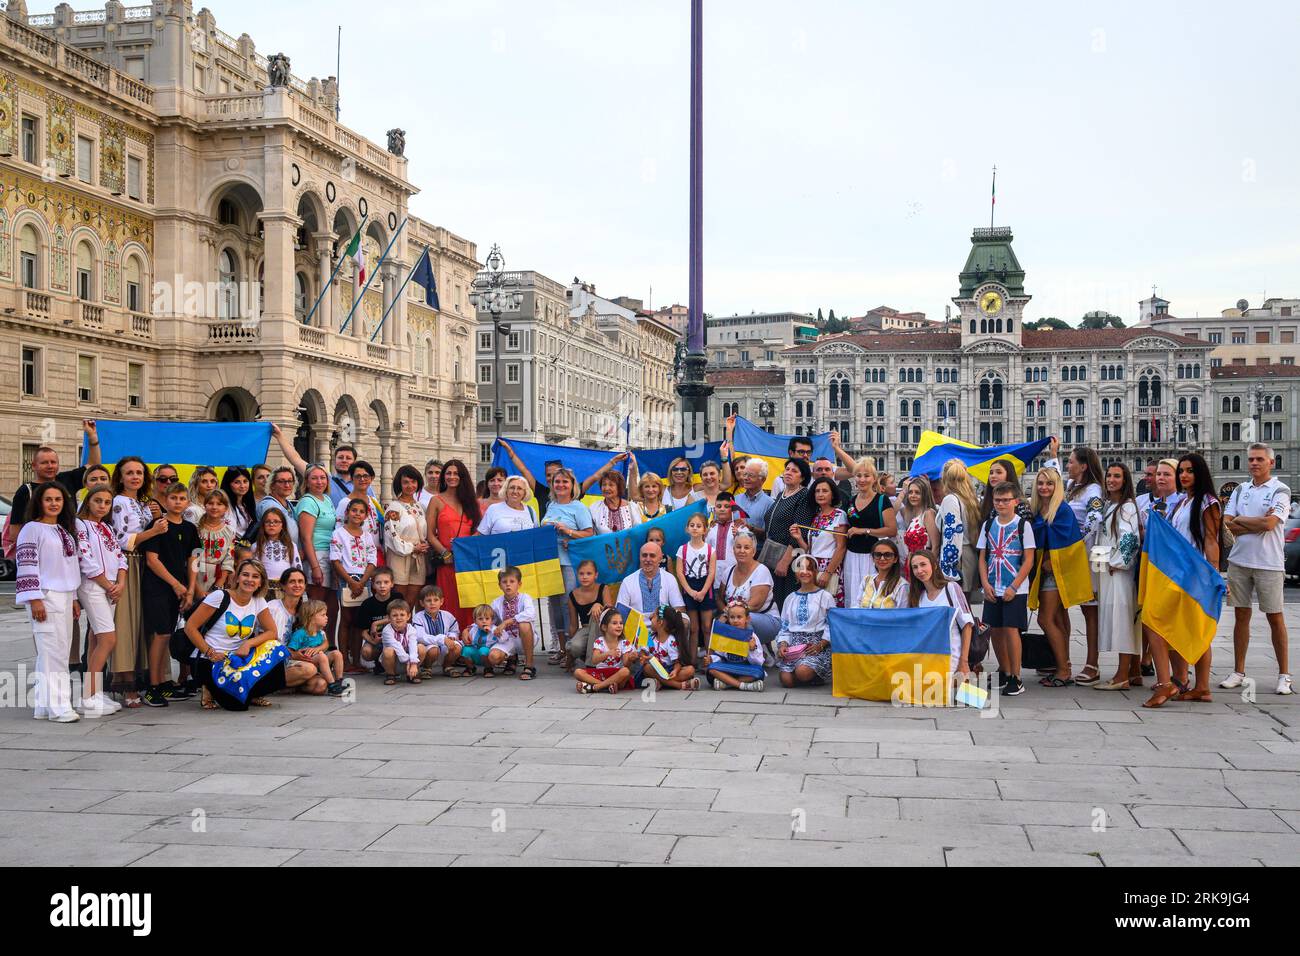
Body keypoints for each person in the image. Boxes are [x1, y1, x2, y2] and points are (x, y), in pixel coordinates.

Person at [1221, 443, 1292, 696]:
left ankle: (1284, 675)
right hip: (1239, 561)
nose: (1254, 463)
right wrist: (1254, 523)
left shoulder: (1280, 489)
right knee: (1241, 616)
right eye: (1251, 459)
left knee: (1275, 617)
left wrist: (1242, 521)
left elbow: (1271, 523)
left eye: (1260, 459)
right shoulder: (1240, 490)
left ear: (1270, 462)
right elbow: (1227, 524)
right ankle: (1238, 671)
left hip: (1269, 563)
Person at [16, 482, 84, 722]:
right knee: (51, 651)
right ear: (39, 502)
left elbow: (70, 566)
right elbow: (27, 565)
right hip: (44, 594)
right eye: (48, 499)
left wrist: (74, 598)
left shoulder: (64, 530)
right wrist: (34, 599)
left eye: (58, 499)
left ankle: (44, 705)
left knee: (58, 651)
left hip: (65, 596)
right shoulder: (31, 529)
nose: (54, 503)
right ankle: (60, 707)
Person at [183, 559, 285, 711]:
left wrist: (248, 643)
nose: (249, 580)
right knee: (238, 706)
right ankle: (209, 686)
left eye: (255, 576)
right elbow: (190, 627)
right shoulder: (220, 596)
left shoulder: (258, 601)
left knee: (275, 647)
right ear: (237, 578)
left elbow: (272, 632)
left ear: (261, 582)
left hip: (238, 658)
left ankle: (252, 693)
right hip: (211, 659)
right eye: (245, 575)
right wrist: (210, 652)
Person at [1161, 453, 1223, 703]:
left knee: (1197, 631)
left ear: (1200, 474)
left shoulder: (1207, 502)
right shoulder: (1181, 502)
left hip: (1196, 573)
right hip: (1178, 573)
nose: (1184, 476)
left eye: (1190, 471)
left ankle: (1203, 686)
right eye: (1182, 472)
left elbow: (1211, 538)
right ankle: (1182, 680)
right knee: (1177, 629)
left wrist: (1214, 574)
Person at [108, 456, 167, 706]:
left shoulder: (142, 504)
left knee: (143, 624)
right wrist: (152, 531)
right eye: (129, 472)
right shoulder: (119, 502)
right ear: (120, 477)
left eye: (139, 473)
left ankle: (144, 680)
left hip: (143, 562)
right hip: (128, 562)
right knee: (127, 624)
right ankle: (126, 685)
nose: (135, 477)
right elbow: (122, 539)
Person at [1047, 439, 1105, 684]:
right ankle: (1063, 660)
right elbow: (1055, 480)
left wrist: (1076, 543)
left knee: (1089, 611)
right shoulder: (1072, 486)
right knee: (1060, 609)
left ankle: (1092, 664)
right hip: (1068, 558)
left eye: (1071, 462)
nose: (1068, 465)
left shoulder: (1093, 490)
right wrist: (1053, 454)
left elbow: (1094, 519)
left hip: (1086, 557)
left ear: (1083, 466)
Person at [140, 482, 200, 707]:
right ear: (165, 501)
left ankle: (164, 683)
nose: (177, 502)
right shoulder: (158, 524)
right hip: (158, 587)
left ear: (187, 502)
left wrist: (191, 588)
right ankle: (152, 686)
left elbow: (194, 558)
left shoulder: (190, 528)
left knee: (168, 635)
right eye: (173, 498)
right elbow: (152, 560)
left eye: (182, 498)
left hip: (182, 589)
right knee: (161, 634)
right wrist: (175, 584)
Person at [977, 480, 1036, 697]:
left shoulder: (1023, 525)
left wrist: (1014, 585)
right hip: (993, 586)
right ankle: (1005, 669)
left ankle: (1016, 676)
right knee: (995, 630)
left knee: (1011, 630)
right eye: (997, 500)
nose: (1001, 504)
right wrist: (984, 583)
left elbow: (1028, 559)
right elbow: (983, 556)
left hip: (1015, 588)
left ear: (1015, 501)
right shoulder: (988, 525)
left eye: (1005, 500)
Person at [5, 420, 101, 548]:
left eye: (53, 462)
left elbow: (93, 466)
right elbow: (14, 532)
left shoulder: (67, 479)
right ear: (33, 466)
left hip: (70, 549)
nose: (50, 466)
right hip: (41, 552)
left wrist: (92, 437)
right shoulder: (25, 491)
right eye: (44, 463)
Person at [74, 487, 126, 716]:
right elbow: (86, 559)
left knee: (97, 638)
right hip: (94, 586)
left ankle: (95, 692)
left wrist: (121, 583)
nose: (102, 506)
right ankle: (87, 696)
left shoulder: (106, 527)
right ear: (88, 501)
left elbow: (120, 556)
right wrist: (108, 585)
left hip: (112, 587)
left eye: (106, 502)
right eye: (98, 501)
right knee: (108, 638)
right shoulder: (80, 525)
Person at [1093, 464, 1144, 691]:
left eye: (1117, 476)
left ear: (1125, 480)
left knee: (1122, 619)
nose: (1111, 480)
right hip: (1106, 568)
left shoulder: (1127, 506)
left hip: (1118, 572)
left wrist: (1117, 563)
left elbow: (1129, 538)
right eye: (1109, 476)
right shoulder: (1109, 505)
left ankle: (1122, 674)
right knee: (1115, 617)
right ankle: (1133, 671)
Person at [541, 468, 595, 665]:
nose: (561, 485)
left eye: (565, 482)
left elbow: (589, 533)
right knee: (554, 607)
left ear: (573, 485)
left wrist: (569, 532)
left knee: (567, 606)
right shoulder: (551, 505)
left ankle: (572, 649)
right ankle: (562, 649)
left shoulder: (578, 507)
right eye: (557, 482)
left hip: (569, 563)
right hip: (550, 562)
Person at [1027, 468, 1075, 686]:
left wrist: (1052, 561)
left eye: (1049, 484)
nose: (1044, 488)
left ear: (1057, 486)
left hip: (1055, 571)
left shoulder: (1062, 510)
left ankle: (1063, 669)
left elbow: (1067, 538)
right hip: (1043, 570)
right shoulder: (1039, 509)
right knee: (1058, 619)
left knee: (1045, 618)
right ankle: (1063, 664)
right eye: (1040, 483)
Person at [426, 459, 481, 630]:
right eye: (448, 473)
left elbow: (478, 531)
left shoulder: (472, 502)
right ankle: (451, 644)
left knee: (469, 601)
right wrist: (445, 554)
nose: (451, 476)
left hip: (467, 563)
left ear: (462, 476)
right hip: (447, 563)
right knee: (449, 602)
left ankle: (469, 641)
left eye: (456, 473)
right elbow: (429, 534)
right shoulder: (436, 501)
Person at [905, 549, 975, 682]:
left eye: (923, 564)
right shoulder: (918, 597)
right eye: (915, 567)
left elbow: (967, 625)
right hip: (927, 657)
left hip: (951, 655)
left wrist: (964, 661)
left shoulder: (951, 588)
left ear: (934, 565)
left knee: (964, 699)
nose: (919, 570)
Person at [331, 498, 378, 674]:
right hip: (346, 579)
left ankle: (357, 660)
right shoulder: (339, 533)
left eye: (361, 511)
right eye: (354, 510)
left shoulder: (367, 536)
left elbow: (372, 559)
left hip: (364, 579)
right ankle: (343, 659)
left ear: (366, 515)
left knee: (359, 621)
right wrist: (351, 582)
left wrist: (363, 581)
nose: (357, 514)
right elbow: (335, 559)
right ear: (347, 512)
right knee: (346, 619)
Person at [842, 459, 897, 608]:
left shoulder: (882, 500)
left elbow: (892, 529)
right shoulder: (851, 501)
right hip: (852, 557)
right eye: (858, 475)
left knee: (872, 596)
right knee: (853, 597)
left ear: (873, 478)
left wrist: (864, 531)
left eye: (866, 476)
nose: (862, 479)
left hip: (873, 557)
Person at [775, 554, 835, 688]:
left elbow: (831, 625)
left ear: (815, 572)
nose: (804, 572)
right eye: (800, 568)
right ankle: (804, 675)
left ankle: (815, 673)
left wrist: (822, 644)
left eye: (809, 569)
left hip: (816, 646)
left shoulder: (825, 596)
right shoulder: (790, 598)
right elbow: (785, 626)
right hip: (794, 646)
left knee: (802, 672)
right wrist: (783, 645)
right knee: (786, 681)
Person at [717, 530, 780, 650]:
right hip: (735, 615)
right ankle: (725, 656)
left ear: (754, 551)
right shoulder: (728, 571)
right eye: (738, 547)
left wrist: (730, 613)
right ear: (733, 549)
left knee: (744, 619)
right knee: (722, 621)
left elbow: (755, 605)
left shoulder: (762, 571)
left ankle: (749, 655)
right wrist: (725, 612)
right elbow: (719, 599)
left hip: (766, 619)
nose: (742, 551)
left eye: (746, 547)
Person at [767, 457, 816, 606]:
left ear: (802, 477)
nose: (789, 472)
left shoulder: (803, 496)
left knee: (786, 599)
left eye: (794, 471)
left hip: (789, 558)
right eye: (787, 469)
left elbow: (798, 530)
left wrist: (785, 562)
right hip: (772, 554)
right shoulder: (781, 495)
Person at [791, 476, 848, 607]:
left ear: (833, 494)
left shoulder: (839, 515)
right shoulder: (816, 517)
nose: (820, 494)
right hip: (813, 567)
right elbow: (809, 550)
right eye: (817, 491)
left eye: (825, 491)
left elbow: (841, 547)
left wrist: (828, 573)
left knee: (829, 606)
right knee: (815, 607)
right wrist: (799, 538)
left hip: (829, 566)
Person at [295, 464, 338, 629]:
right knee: (317, 606)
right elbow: (306, 538)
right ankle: (313, 642)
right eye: (314, 478)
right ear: (307, 481)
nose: (319, 482)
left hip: (331, 554)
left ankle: (329, 643)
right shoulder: (308, 502)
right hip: (317, 555)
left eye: (322, 478)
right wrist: (315, 567)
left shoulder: (326, 499)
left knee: (331, 605)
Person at [384, 465, 428, 608]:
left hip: (419, 559)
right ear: (399, 484)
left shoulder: (421, 507)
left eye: (413, 481)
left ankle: (409, 631)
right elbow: (391, 537)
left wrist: (424, 545)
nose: (410, 485)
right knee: (399, 604)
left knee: (411, 603)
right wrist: (411, 548)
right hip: (399, 557)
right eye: (406, 482)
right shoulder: (394, 507)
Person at [675, 511, 718, 656]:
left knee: (706, 627)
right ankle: (692, 660)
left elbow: (711, 573)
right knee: (693, 628)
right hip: (689, 587)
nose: (695, 528)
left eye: (699, 526)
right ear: (687, 529)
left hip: (705, 587)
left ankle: (709, 659)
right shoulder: (683, 549)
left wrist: (703, 591)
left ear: (704, 530)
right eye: (692, 525)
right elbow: (680, 573)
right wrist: (690, 591)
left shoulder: (710, 550)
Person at [938, 460, 981, 600]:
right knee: (965, 605)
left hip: (957, 559)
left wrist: (948, 567)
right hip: (968, 555)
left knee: (957, 605)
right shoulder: (970, 499)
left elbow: (953, 533)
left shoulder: (950, 499)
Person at [615, 541, 686, 627]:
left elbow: (679, 608)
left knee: (685, 621)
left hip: (662, 629)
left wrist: (663, 620)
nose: (648, 559)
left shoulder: (669, 579)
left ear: (660, 559)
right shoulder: (628, 581)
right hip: (636, 631)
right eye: (644, 555)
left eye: (652, 556)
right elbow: (620, 612)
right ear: (640, 557)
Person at [487, 565, 538, 680]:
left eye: (512, 581)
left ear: (519, 584)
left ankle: (529, 665)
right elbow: (488, 620)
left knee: (524, 624)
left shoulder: (525, 598)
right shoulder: (496, 602)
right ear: (499, 585)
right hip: (507, 639)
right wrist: (470, 629)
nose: (508, 584)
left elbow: (530, 613)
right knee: (493, 657)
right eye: (504, 582)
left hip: (523, 638)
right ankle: (511, 658)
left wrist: (508, 621)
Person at [287, 599, 346, 696]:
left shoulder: (320, 632)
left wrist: (318, 649)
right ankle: (331, 686)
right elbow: (290, 652)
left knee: (337, 653)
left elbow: (326, 644)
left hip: (318, 662)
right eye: (323, 615)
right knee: (321, 656)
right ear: (311, 617)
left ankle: (339, 681)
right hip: (305, 663)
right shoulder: (300, 633)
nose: (326, 617)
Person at [635, 604, 699, 690]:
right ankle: (678, 685)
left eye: (653, 617)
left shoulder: (671, 640)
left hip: (668, 671)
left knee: (690, 670)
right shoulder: (649, 637)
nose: (650, 618)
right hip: (654, 670)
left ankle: (661, 683)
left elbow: (677, 662)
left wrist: (675, 671)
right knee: (647, 668)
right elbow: (643, 655)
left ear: (660, 622)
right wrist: (644, 658)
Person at [706, 602, 766, 691]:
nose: (735, 620)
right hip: (727, 668)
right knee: (711, 669)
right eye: (732, 617)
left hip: (744, 669)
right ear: (728, 619)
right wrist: (711, 659)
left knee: (759, 672)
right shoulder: (724, 635)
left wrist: (752, 649)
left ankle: (727, 684)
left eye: (739, 617)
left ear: (747, 619)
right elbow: (719, 656)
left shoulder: (751, 637)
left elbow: (758, 663)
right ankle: (743, 685)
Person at [574, 607, 634, 694]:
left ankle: (596, 687)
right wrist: (608, 653)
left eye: (621, 623)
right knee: (577, 672)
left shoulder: (625, 643)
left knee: (626, 671)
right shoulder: (600, 641)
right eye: (614, 623)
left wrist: (630, 659)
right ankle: (606, 686)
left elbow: (626, 664)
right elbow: (594, 660)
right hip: (600, 674)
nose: (619, 626)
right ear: (604, 627)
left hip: (616, 674)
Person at [379, 599, 434, 685]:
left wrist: (413, 663)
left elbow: (412, 645)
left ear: (408, 616)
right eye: (394, 615)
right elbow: (397, 647)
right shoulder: (387, 630)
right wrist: (410, 662)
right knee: (388, 651)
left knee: (421, 648)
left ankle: (412, 674)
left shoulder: (411, 629)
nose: (399, 618)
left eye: (402, 615)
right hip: (393, 661)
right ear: (389, 618)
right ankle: (391, 674)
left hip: (409, 661)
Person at [193, 490, 236, 595]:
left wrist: (217, 587)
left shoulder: (229, 531)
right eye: (211, 503)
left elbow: (228, 560)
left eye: (219, 504)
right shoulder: (196, 529)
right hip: (195, 575)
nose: (214, 507)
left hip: (217, 577)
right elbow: (191, 557)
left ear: (225, 508)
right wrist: (197, 589)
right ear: (205, 505)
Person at [415, 585, 465, 677]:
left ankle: (447, 666)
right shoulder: (418, 617)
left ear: (441, 601)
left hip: (445, 646)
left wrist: (452, 636)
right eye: (428, 601)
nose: (432, 603)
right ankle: (427, 667)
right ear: (422, 603)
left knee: (456, 647)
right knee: (434, 649)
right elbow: (420, 636)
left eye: (436, 600)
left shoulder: (447, 615)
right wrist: (442, 639)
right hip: (428, 647)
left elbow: (455, 630)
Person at [357, 568, 398, 677]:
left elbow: (401, 618)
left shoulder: (397, 598)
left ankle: (392, 663)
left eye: (386, 582)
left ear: (392, 584)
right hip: (377, 639)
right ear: (373, 585)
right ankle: (378, 662)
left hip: (396, 638)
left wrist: (376, 623)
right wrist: (373, 641)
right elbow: (363, 631)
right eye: (378, 583)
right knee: (366, 652)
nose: (382, 586)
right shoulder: (367, 604)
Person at [565, 559, 605, 670]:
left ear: (596, 575)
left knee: (596, 613)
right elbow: (573, 625)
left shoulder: (603, 588)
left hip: (603, 629)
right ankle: (587, 656)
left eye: (589, 573)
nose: (585, 577)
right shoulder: (573, 595)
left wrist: (599, 605)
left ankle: (591, 664)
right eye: (581, 574)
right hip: (586, 629)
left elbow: (611, 611)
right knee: (574, 646)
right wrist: (570, 654)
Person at [897, 476, 939, 575]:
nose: (913, 495)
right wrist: (903, 492)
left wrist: (929, 568)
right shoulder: (910, 514)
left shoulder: (928, 513)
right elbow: (892, 511)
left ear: (924, 494)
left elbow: (936, 545)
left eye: (917, 492)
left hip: (924, 568)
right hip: (911, 566)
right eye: (910, 492)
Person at [335, 460, 383, 542]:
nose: (362, 479)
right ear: (351, 478)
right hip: (355, 552)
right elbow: (339, 531)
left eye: (366, 476)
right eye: (358, 476)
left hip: (375, 552)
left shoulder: (373, 500)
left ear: (372, 478)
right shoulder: (345, 503)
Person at [252, 509, 300, 587]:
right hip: (264, 586)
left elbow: (297, 567)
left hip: (285, 586)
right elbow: (255, 569)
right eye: (267, 521)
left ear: (282, 525)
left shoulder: (291, 545)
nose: (272, 524)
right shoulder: (256, 546)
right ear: (263, 525)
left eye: (276, 521)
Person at [257, 465, 300, 547]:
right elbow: (273, 533)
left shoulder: (288, 504)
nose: (287, 485)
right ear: (272, 485)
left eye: (290, 481)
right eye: (281, 481)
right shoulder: (269, 505)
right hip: (277, 555)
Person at [860, 539, 908, 608]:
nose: (882, 558)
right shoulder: (866, 580)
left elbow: (903, 615)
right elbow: (857, 607)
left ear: (895, 559)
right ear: (873, 558)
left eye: (887, 555)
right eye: (877, 554)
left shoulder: (902, 586)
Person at [706, 491, 741, 585]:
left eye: (726, 506)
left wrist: (738, 536)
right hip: (713, 577)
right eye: (719, 506)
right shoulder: (711, 529)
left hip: (734, 575)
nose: (722, 509)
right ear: (714, 508)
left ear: (733, 509)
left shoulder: (740, 528)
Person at [733, 459, 774, 536]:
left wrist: (750, 528)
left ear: (763, 480)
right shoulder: (734, 499)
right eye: (745, 474)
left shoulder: (770, 504)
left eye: (750, 475)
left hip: (756, 547)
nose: (745, 478)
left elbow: (769, 534)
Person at [979, 458, 1024, 524]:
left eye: (999, 472)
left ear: (1008, 474)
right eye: (991, 473)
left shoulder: (1021, 504)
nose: (993, 476)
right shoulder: (985, 502)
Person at [220, 466, 257, 541]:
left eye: (245, 481)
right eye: (237, 482)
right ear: (228, 484)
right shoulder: (223, 505)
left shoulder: (247, 504)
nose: (242, 486)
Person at [461, 604, 496, 674]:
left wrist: (492, 631)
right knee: (465, 650)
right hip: (475, 653)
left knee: (483, 650)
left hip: (487, 654)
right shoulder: (473, 629)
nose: (484, 621)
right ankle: (470, 667)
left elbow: (504, 638)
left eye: (487, 618)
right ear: (475, 621)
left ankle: (488, 668)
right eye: (480, 619)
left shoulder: (494, 629)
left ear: (492, 620)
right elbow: (467, 640)